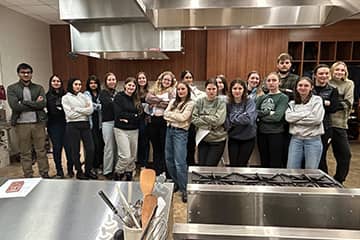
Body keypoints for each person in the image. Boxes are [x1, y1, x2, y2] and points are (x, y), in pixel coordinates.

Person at [7, 63, 50, 178]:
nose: (26, 74)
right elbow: (15, 106)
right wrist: (35, 104)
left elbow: (42, 104)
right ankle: (28, 175)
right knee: (25, 152)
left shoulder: (38, 88)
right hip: (21, 125)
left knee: (41, 150)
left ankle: (44, 173)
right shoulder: (12, 88)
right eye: (23, 72)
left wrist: (24, 102)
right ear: (19, 74)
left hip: (38, 123)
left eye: (28, 72)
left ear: (31, 74)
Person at [164, 82, 195, 203]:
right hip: (169, 131)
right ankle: (176, 183)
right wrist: (175, 116)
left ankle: (184, 189)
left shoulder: (191, 103)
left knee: (180, 162)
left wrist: (171, 115)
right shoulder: (173, 102)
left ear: (187, 90)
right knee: (169, 159)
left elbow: (184, 118)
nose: (180, 91)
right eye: (178, 89)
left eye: (183, 89)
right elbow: (164, 115)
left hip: (180, 133)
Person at [286, 77, 325, 169]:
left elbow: (316, 119)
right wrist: (307, 113)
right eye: (300, 85)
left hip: (313, 140)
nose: (303, 88)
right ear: (296, 87)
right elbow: (288, 118)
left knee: (311, 171)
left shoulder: (317, 100)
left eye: (306, 85)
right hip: (296, 140)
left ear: (311, 87)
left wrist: (296, 118)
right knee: (291, 170)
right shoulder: (292, 103)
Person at [62, 78, 97, 180]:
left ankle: (88, 170)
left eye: (80, 84)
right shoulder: (66, 98)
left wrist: (76, 109)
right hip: (72, 125)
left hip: (85, 125)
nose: (78, 86)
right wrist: (84, 110)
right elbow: (69, 114)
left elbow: (90, 110)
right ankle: (79, 171)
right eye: (76, 84)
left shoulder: (84, 96)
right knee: (75, 150)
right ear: (71, 85)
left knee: (90, 149)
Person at [146, 71, 176, 176]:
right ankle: (157, 171)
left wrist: (156, 102)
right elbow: (148, 98)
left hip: (164, 122)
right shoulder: (154, 89)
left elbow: (171, 105)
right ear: (161, 80)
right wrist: (161, 101)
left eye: (169, 80)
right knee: (156, 147)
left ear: (172, 82)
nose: (166, 81)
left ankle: (165, 171)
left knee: (165, 148)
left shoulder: (172, 91)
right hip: (153, 121)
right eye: (165, 79)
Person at [192, 78, 227, 166]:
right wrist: (209, 125)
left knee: (209, 167)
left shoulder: (221, 102)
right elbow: (194, 118)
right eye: (209, 89)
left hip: (217, 140)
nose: (211, 91)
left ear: (217, 89)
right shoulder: (200, 101)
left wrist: (203, 117)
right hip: (203, 139)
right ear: (205, 89)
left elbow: (219, 120)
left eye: (214, 89)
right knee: (201, 166)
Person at [256, 72, 289, 168]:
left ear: (279, 82)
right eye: (269, 80)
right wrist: (269, 113)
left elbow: (277, 117)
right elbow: (254, 113)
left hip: (276, 133)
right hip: (261, 133)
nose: (271, 83)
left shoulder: (283, 97)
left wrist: (261, 117)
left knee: (275, 161)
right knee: (264, 160)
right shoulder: (262, 97)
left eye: (274, 80)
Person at [113, 77, 142, 181]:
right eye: (129, 85)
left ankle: (129, 172)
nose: (131, 87)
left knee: (133, 156)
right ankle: (118, 172)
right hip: (121, 130)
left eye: (133, 85)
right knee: (125, 156)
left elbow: (140, 115)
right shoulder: (119, 97)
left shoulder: (136, 98)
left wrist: (128, 118)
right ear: (125, 85)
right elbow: (119, 114)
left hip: (134, 130)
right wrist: (133, 116)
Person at [330, 61, 354, 184]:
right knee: (321, 153)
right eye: (337, 70)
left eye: (342, 70)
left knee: (345, 155)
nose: (340, 72)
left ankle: (339, 180)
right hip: (326, 123)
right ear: (332, 71)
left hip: (340, 124)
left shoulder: (349, 84)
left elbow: (348, 103)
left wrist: (331, 105)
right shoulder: (327, 83)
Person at [312, 64, 339, 173]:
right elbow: (303, 105)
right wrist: (324, 103)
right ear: (315, 75)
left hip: (325, 127)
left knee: (321, 156)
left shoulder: (333, 90)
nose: (324, 76)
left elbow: (333, 108)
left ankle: (323, 184)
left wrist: (317, 103)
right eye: (321, 73)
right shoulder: (309, 87)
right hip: (309, 127)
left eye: (326, 73)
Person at [46, 74, 73, 178]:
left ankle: (70, 169)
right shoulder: (47, 96)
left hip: (66, 124)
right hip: (53, 125)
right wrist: (61, 109)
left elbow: (69, 109)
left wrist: (59, 108)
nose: (56, 83)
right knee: (57, 149)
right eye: (54, 81)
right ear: (51, 83)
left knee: (69, 149)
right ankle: (59, 171)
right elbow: (53, 111)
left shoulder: (66, 95)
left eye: (58, 81)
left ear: (61, 83)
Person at [225, 79, 257, 167]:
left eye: (240, 88)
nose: (237, 91)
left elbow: (248, 119)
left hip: (248, 138)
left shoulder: (249, 102)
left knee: (242, 165)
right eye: (234, 88)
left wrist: (232, 117)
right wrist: (240, 116)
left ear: (244, 90)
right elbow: (226, 123)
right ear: (231, 90)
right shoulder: (228, 104)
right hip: (233, 138)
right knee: (233, 165)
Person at [180, 70, 205, 166]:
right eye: (186, 77)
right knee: (181, 149)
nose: (188, 79)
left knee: (191, 147)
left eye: (190, 77)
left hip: (193, 124)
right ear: (182, 79)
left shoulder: (198, 93)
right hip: (181, 124)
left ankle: (190, 167)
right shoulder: (178, 91)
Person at [99, 72, 118, 179]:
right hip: (107, 123)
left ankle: (115, 169)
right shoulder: (103, 93)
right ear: (106, 82)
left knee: (116, 148)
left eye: (113, 79)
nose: (112, 81)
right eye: (109, 79)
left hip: (117, 123)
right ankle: (107, 170)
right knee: (109, 147)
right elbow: (108, 104)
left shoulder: (117, 93)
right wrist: (117, 103)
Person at [84, 75, 104, 174]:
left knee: (100, 145)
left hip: (100, 123)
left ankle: (99, 165)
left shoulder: (101, 93)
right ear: (88, 84)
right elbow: (90, 106)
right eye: (91, 83)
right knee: (93, 146)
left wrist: (93, 106)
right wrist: (99, 106)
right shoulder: (86, 94)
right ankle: (91, 166)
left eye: (95, 83)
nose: (93, 85)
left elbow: (93, 105)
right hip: (91, 123)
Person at [136, 71, 150, 169]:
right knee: (137, 143)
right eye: (140, 78)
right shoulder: (134, 92)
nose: (142, 80)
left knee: (145, 143)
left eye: (143, 78)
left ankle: (144, 164)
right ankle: (138, 163)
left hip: (147, 120)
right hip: (136, 120)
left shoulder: (150, 92)